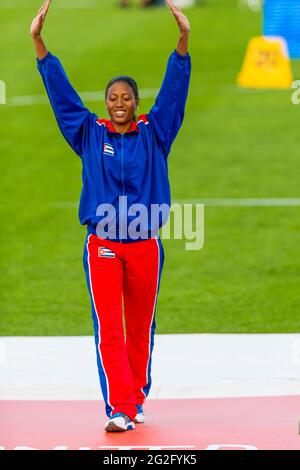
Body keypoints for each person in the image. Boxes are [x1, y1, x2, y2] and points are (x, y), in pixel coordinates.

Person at [30, 0, 191, 432]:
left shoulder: (155, 133)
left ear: (137, 103)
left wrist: (182, 45)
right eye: (112, 98)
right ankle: (118, 407)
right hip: (102, 245)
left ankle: (135, 399)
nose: (118, 103)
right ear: (106, 103)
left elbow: (174, 95)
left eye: (126, 98)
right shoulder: (88, 133)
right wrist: (40, 45)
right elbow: (63, 100)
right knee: (110, 331)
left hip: (145, 247)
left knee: (140, 330)